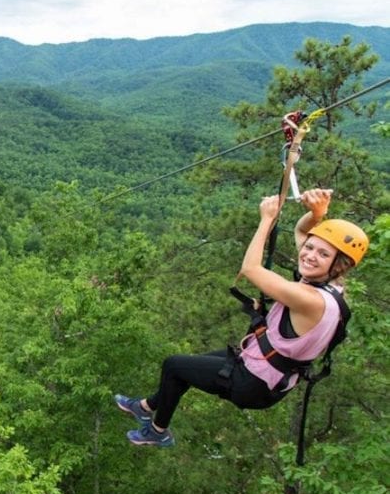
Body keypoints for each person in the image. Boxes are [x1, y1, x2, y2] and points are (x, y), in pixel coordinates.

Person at [114, 188, 369, 447]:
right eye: (311, 248)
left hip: (254, 383)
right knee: (189, 367)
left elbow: (251, 269)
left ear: (338, 265)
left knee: (173, 365)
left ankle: (158, 432)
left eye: (323, 254)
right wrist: (317, 214)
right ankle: (145, 406)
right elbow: (301, 232)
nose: (309, 255)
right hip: (263, 369)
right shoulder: (332, 287)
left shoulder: (311, 300)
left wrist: (266, 220)